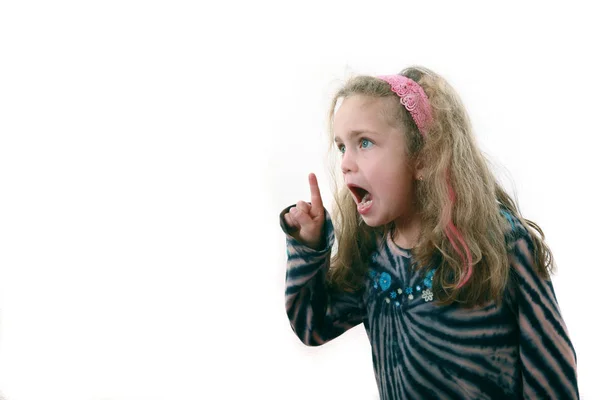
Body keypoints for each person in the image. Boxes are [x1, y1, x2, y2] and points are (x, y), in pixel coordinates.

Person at [279, 66, 579, 399]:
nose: (346, 162)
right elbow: (312, 325)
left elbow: (552, 375)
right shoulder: (372, 257)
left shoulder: (501, 243)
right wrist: (307, 246)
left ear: (422, 158)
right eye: (341, 147)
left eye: (364, 142)